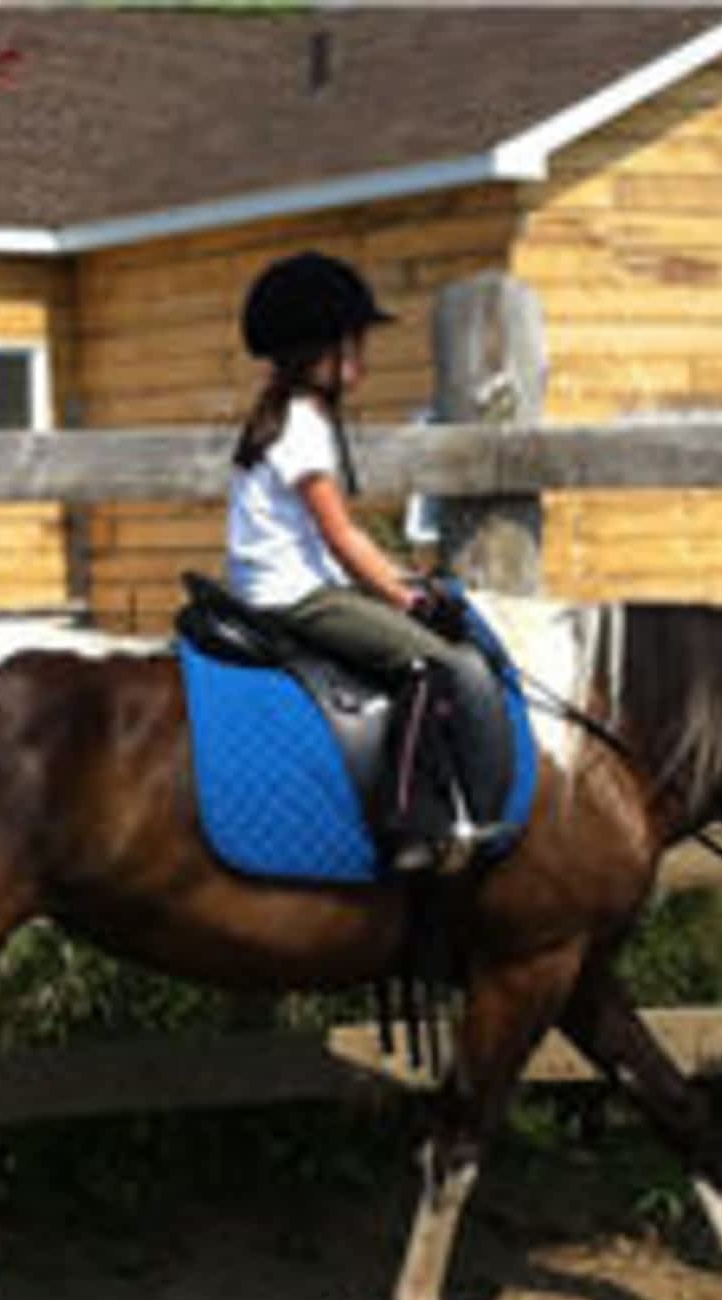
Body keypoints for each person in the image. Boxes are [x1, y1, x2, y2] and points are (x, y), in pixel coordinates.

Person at [226, 250, 474, 868]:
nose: (362, 357)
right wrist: (406, 598)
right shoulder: (304, 427)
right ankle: (410, 820)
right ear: (319, 352)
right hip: (296, 597)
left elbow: (344, 544)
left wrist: (404, 576)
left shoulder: (285, 416)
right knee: (433, 662)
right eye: (353, 343)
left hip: (294, 585)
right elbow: (340, 536)